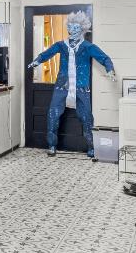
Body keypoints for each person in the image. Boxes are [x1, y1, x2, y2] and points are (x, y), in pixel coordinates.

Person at [28, 14, 114, 159]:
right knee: (52, 114)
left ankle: (91, 146)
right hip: (62, 87)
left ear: (82, 29)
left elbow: (104, 58)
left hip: (81, 88)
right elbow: (47, 53)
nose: (72, 30)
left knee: (86, 117)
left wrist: (110, 69)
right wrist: (37, 61)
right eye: (70, 27)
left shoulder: (88, 47)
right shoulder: (61, 45)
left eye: (76, 28)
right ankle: (52, 145)